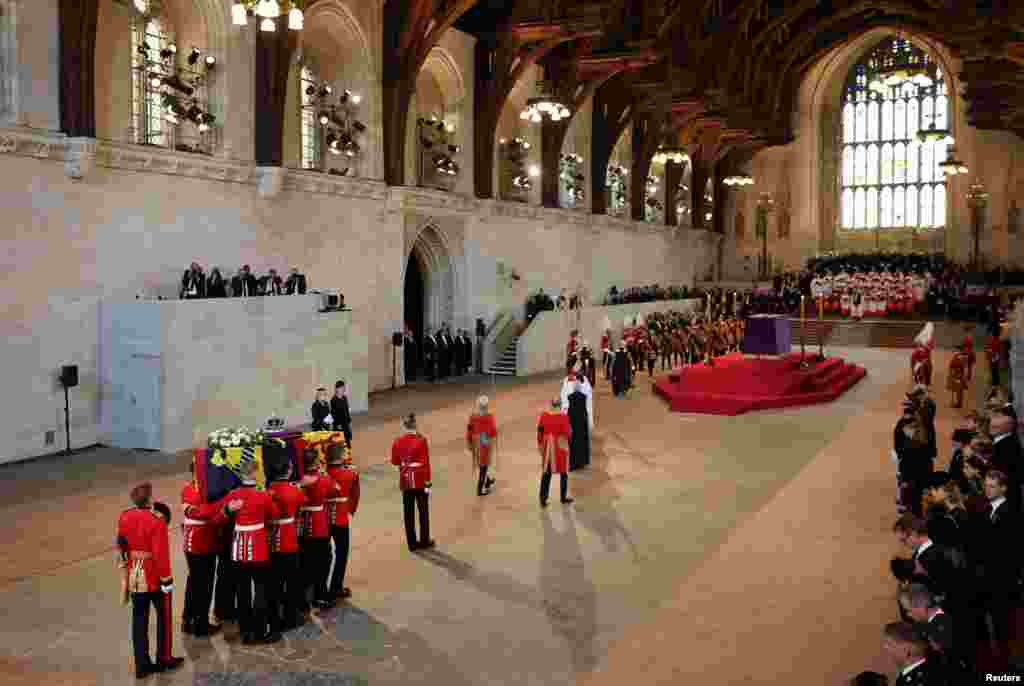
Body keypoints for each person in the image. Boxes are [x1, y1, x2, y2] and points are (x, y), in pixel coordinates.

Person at [117, 482, 186, 678]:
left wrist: (125, 569)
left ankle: (142, 664)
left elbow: (121, 544)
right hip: (154, 576)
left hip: (135, 575)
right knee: (164, 618)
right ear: (149, 500)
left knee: (138, 621)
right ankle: (164, 658)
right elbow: (160, 555)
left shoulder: (125, 516)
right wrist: (167, 580)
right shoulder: (157, 520)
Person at [223, 460, 281, 644]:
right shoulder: (262, 496)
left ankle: (245, 632)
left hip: (239, 549)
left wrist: (228, 510)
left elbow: (218, 518)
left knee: (242, 591)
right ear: (255, 474)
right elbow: (275, 516)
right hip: (258, 548)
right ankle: (259, 630)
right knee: (261, 590)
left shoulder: (232, 495)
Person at [180, 465, 237, 637]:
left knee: (194, 583)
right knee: (204, 585)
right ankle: (200, 623)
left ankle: (188, 619)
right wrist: (226, 504)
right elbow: (207, 514)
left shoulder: (187, 488)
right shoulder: (206, 491)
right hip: (203, 542)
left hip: (191, 541)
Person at [266, 452, 307, 633]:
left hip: (270, 540)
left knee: (273, 582)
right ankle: (291, 617)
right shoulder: (294, 491)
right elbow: (301, 507)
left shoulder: (267, 491)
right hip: (289, 540)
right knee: (291, 581)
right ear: (288, 471)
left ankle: (274, 618)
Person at [299, 447, 339, 610]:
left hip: (303, 524)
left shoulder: (300, 480)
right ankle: (320, 595)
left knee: (306, 561)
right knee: (323, 561)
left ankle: (306, 596)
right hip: (319, 524)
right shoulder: (322, 478)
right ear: (316, 461)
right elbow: (336, 490)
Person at [391, 413, 434, 551]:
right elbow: (426, 463)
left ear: (404, 426)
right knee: (423, 511)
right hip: (421, 479)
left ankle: (412, 544)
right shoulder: (421, 440)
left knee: (408, 513)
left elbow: (395, 461)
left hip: (406, 480)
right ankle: (424, 540)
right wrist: (428, 483)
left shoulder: (397, 441)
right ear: (415, 425)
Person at [326, 442, 359, 601]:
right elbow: (355, 494)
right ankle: (336, 587)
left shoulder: (323, 474)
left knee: (324, 555)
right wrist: (350, 509)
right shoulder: (350, 474)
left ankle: (320, 588)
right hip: (340, 517)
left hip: (323, 518)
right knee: (341, 553)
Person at [881, 621, 944, 686]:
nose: (885, 648)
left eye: (889, 644)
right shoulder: (934, 668)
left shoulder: (921, 678)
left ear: (907, 647)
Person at [537, 398, 573, 507]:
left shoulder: (544, 416)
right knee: (563, 473)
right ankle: (563, 497)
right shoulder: (563, 417)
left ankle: (543, 498)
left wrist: (540, 444)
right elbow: (568, 433)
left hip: (547, 447)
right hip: (559, 448)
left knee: (546, 474)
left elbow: (539, 432)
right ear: (560, 405)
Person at [466, 395, 498, 496]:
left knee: (481, 464)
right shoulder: (489, 417)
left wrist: (469, 442)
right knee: (484, 466)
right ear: (487, 406)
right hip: (484, 443)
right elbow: (493, 432)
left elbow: (469, 430)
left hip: (475, 443)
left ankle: (487, 480)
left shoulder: (472, 416)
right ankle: (480, 489)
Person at [566, 381, 591, 471]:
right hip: (581, 423)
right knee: (581, 443)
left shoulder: (570, 397)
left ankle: (573, 463)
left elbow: (569, 411)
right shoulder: (584, 397)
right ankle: (581, 462)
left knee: (573, 444)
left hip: (573, 423)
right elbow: (585, 411)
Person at [330, 380, 353, 447]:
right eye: (342, 388)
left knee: (347, 439)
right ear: (337, 389)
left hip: (345, 422)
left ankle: (348, 451)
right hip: (338, 424)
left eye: (344, 388)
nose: (343, 390)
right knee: (340, 442)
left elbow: (346, 410)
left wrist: (349, 420)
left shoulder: (344, 398)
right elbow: (334, 414)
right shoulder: (333, 400)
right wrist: (338, 424)